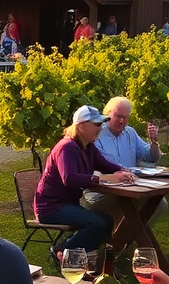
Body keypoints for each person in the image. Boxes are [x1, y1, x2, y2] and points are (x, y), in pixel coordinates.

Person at [33, 105, 135, 258]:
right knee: (97, 223)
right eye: (97, 124)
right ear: (81, 125)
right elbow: (69, 178)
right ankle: (61, 252)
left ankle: (85, 256)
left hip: (67, 204)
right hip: (51, 207)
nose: (101, 128)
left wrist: (123, 171)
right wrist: (108, 178)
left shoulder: (87, 146)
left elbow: (104, 165)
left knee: (107, 221)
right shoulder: (67, 147)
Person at [84, 96, 166, 224]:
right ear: (107, 115)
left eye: (125, 117)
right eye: (118, 116)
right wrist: (122, 173)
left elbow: (150, 157)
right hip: (101, 191)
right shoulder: (97, 134)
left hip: (130, 188)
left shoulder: (130, 133)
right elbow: (102, 165)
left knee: (160, 203)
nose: (122, 121)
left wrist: (154, 142)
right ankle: (129, 235)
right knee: (128, 204)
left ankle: (132, 234)